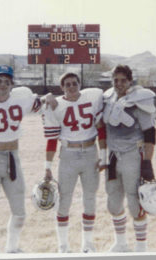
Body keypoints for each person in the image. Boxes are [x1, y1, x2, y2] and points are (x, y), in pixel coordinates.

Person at [0, 64, 56, 253]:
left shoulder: (20, 98)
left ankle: (11, 249)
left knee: (20, 211)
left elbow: (39, 103)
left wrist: (47, 97)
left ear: (11, 85)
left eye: (7, 81)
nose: (3, 84)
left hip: (13, 157)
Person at [41, 72, 107, 253]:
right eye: (67, 84)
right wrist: (47, 167)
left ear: (80, 83)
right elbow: (52, 139)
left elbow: (101, 129)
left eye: (74, 83)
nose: (71, 87)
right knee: (64, 199)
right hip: (68, 154)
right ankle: (63, 245)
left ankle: (88, 243)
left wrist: (104, 155)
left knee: (90, 198)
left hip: (90, 152)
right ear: (61, 87)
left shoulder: (92, 97)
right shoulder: (56, 105)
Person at [102, 64, 156, 252]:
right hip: (112, 155)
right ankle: (121, 243)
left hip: (132, 154)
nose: (119, 83)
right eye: (115, 80)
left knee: (135, 202)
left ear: (130, 81)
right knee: (113, 201)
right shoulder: (108, 98)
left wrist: (147, 162)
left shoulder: (139, 99)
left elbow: (150, 134)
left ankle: (141, 247)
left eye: (123, 80)